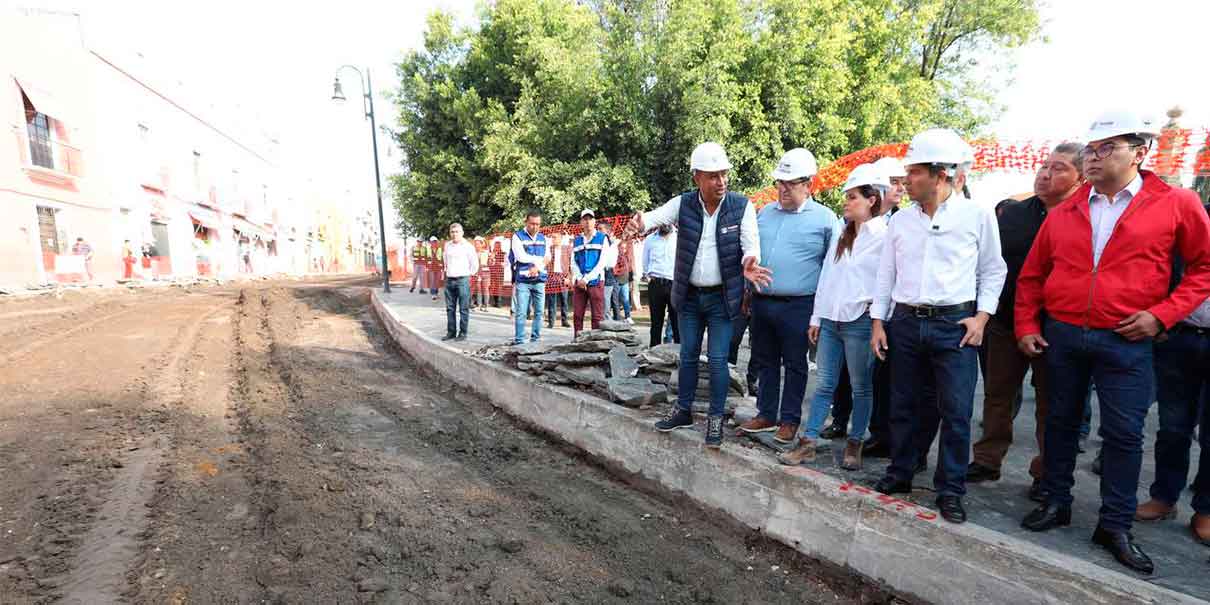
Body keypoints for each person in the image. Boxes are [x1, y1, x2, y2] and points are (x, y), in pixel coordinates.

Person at [1016, 110, 1210, 574]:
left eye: (1107, 148)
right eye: (1091, 149)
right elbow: (1033, 275)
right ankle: (1056, 501)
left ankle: (1115, 524)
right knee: (1060, 422)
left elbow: (1203, 269)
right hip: (1063, 334)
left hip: (1127, 340)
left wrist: (1161, 316)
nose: (1094, 157)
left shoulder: (1176, 203)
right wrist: (1026, 325)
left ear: (1139, 153)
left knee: (1123, 434)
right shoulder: (1067, 209)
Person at [869, 128, 1007, 525]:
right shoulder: (901, 221)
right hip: (906, 322)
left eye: (914, 172)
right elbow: (885, 274)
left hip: (955, 325)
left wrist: (982, 317)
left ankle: (951, 490)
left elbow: (993, 270)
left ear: (941, 174)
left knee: (957, 410)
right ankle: (900, 472)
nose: (906, 180)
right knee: (903, 406)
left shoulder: (976, 216)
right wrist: (880, 321)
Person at [624, 142, 770, 448]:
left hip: (722, 299)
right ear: (697, 179)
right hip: (689, 298)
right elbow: (653, 218)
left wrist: (749, 261)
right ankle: (683, 411)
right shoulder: (683, 203)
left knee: (718, 360)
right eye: (713, 176)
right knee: (687, 356)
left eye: (724, 174)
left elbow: (751, 245)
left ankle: (715, 419)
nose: (721, 181)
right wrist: (640, 222)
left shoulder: (741, 207)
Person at [966, 143, 1084, 502]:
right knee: (998, 395)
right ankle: (987, 460)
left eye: (1059, 168)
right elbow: (989, 265)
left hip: (1058, 327)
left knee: (1053, 405)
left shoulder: (1086, 217)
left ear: (1080, 177)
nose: (1045, 174)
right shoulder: (1014, 215)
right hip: (1004, 321)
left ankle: (1046, 472)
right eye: (1045, 166)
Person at [780, 163, 887, 470]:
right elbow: (827, 277)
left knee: (860, 385)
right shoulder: (842, 234)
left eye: (852, 196)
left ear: (871, 199)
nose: (846, 202)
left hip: (860, 322)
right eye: (846, 196)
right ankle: (809, 441)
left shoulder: (884, 237)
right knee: (824, 383)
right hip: (831, 322)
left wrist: (877, 319)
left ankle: (855, 443)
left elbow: (885, 284)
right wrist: (817, 317)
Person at [736, 148, 837, 445]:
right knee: (764, 359)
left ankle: (790, 419)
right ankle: (766, 413)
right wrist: (747, 292)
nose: (782, 189)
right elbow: (752, 256)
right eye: (780, 182)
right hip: (763, 301)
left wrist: (821, 313)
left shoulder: (826, 220)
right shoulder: (765, 213)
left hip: (800, 304)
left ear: (809, 184)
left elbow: (833, 269)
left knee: (795, 364)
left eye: (790, 183)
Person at [1136, 201, 1210, 544]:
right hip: (1180, 336)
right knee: (1173, 427)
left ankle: (1206, 509)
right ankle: (1164, 497)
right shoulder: (1195, 216)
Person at [511, 210, 548, 344]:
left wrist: (537, 267)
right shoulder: (517, 237)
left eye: (538, 224)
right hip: (523, 281)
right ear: (526, 222)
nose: (535, 227)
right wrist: (539, 260)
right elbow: (521, 256)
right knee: (521, 312)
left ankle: (535, 339)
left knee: (539, 312)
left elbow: (548, 258)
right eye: (532, 223)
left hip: (540, 280)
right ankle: (520, 340)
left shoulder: (544, 238)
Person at [571, 209, 609, 336]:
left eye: (590, 219)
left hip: (596, 282)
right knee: (577, 315)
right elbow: (573, 262)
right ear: (581, 222)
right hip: (580, 282)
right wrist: (579, 278)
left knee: (597, 316)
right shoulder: (577, 240)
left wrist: (586, 279)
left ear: (594, 221)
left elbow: (602, 263)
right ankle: (577, 341)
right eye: (585, 219)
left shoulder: (602, 238)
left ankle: (596, 344)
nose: (587, 222)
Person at [441, 223, 478, 341]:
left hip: (462, 280)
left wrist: (467, 275)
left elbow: (475, 264)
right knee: (450, 308)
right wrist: (447, 273)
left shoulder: (468, 246)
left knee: (463, 308)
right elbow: (445, 261)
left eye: (457, 232)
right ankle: (451, 332)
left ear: (462, 233)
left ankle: (463, 333)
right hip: (449, 280)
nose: (454, 234)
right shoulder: (447, 245)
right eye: (452, 232)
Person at [643, 225, 678, 346]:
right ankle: (653, 355)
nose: (665, 224)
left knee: (677, 322)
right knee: (656, 323)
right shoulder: (649, 239)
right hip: (656, 284)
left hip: (675, 284)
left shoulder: (679, 237)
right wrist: (649, 274)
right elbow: (645, 261)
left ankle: (681, 355)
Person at [545, 233, 572, 328]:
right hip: (552, 276)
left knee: (564, 300)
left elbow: (571, 264)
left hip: (563, 276)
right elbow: (545, 263)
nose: (553, 239)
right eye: (552, 237)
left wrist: (568, 277)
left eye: (555, 237)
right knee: (552, 301)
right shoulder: (549, 249)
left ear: (560, 238)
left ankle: (564, 321)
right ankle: (551, 322)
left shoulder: (567, 249)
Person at [612, 237, 635, 323]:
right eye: (622, 248)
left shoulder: (627, 257)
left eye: (625, 248)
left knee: (626, 299)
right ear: (618, 248)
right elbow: (614, 269)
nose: (623, 250)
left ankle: (628, 316)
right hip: (617, 280)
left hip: (625, 280)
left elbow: (630, 269)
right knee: (616, 300)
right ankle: (617, 316)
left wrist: (631, 281)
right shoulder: (615, 257)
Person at [599, 222, 619, 317]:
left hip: (607, 272)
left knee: (606, 298)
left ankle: (606, 319)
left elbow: (611, 261)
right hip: (600, 272)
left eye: (600, 229)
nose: (598, 231)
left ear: (607, 231)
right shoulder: (599, 241)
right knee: (601, 298)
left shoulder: (610, 242)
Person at [472, 236, 490, 310]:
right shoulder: (473, 253)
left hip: (485, 272)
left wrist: (491, 260)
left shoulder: (487, 252)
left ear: (482, 244)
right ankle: (478, 305)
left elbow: (490, 262)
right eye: (475, 243)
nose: (476, 245)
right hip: (476, 272)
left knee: (485, 288)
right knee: (478, 288)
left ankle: (485, 306)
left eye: (478, 243)